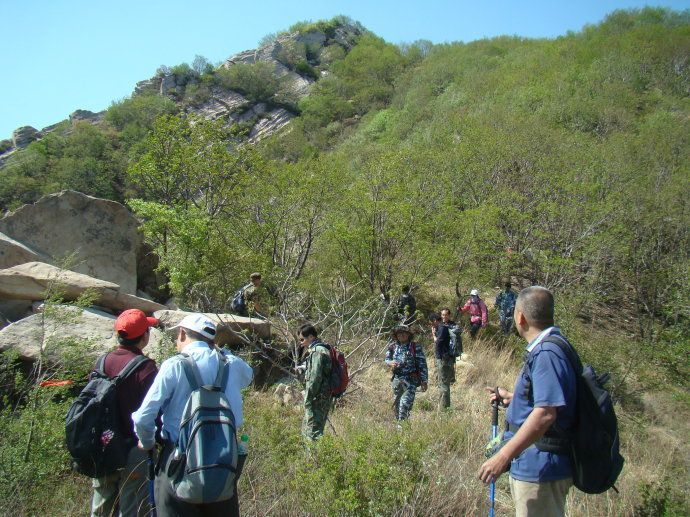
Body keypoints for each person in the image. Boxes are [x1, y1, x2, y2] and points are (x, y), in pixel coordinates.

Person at [132, 314, 253, 517]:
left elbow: (144, 416)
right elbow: (247, 377)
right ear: (211, 340)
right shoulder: (232, 364)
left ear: (181, 334)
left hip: (178, 460)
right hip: (223, 462)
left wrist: (147, 441)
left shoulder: (175, 365)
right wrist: (221, 351)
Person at [478, 286, 577, 517]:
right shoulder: (552, 346)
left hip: (541, 467)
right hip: (536, 464)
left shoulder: (546, 353)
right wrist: (514, 399)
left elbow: (545, 414)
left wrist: (503, 456)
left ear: (520, 316)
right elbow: (548, 400)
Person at [91, 309, 159, 517]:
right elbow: (154, 411)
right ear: (144, 336)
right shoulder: (146, 368)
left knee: (100, 508)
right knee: (133, 510)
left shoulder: (102, 362)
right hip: (134, 448)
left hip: (103, 446)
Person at [385, 325, 428, 422]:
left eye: (404, 333)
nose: (401, 335)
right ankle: (401, 429)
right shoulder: (393, 346)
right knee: (397, 405)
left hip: (410, 381)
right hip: (397, 380)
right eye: (399, 333)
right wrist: (390, 363)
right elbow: (387, 359)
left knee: (404, 404)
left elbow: (422, 364)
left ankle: (402, 428)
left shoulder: (415, 346)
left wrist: (424, 380)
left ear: (408, 335)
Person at [297, 324, 333, 440]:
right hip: (320, 397)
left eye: (302, 339)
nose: (301, 343)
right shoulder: (321, 349)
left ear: (311, 337)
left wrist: (308, 397)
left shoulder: (317, 351)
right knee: (310, 430)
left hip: (317, 398)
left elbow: (315, 377)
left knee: (313, 433)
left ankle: (314, 457)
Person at [429, 312, 455, 409]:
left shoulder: (442, 328)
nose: (432, 325)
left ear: (435, 320)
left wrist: (433, 335)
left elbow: (438, 342)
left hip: (444, 359)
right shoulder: (441, 328)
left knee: (444, 383)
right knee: (442, 382)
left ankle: (445, 407)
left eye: (432, 322)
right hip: (443, 358)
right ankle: (442, 405)